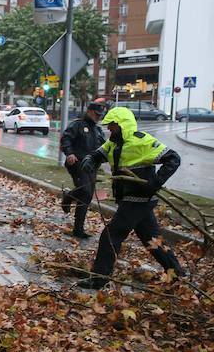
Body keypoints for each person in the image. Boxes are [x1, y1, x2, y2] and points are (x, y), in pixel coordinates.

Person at [78, 106, 185, 289]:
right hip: (130, 200)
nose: (109, 129)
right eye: (108, 126)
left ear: (123, 125)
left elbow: (173, 158)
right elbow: (98, 154)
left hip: (139, 199)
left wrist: (156, 182)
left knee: (110, 235)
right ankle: (177, 274)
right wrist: (90, 160)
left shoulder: (142, 142)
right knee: (153, 241)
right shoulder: (113, 143)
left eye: (112, 126)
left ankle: (99, 279)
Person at [60, 100, 106, 239]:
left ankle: (78, 229)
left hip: (92, 166)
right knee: (85, 191)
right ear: (89, 111)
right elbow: (66, 139)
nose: (99, 117)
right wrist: (69, 153)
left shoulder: (98, 130)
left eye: (100, 115)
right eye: (97, 114)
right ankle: (68, 197)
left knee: (86, 197)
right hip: (77, 163)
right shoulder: (77, 124)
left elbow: (104, 147)